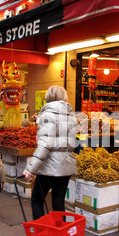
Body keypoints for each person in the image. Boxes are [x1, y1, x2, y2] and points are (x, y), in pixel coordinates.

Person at [23, 85, 78, 218]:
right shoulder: (72, 118)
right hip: (66, 165)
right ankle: (59, 233)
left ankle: (42, 234)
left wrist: (31, 168)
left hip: (49, 166)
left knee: (37, 200)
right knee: (58, 202)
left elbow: (45, 144)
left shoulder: (47, 115)